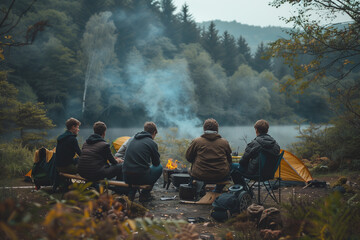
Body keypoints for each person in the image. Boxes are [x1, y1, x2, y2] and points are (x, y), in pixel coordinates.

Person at [186, 118, 232, 193]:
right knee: (229, 169)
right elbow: (229, 160)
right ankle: (217, 190)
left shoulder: (197, 141)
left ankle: (197, 190)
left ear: (204, 129)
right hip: (220, 176)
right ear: (217, 129)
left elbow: (188, 157)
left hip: (200, 175)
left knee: (190, 170)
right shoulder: (224, 142)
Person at [122, 122, 162, 202]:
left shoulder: (132, 139)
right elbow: (156, 163)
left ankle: (131, 192)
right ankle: (144, 194)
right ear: (154, 133)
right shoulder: (152, 143)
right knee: (159, 168)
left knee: (136, 169)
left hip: (126, 177)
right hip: (140, 178)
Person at [231, 119, 280, 184]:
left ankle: (242, 189)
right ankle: (244, 190)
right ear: (267, 130)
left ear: (256, 130)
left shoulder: (254, 143)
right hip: (269, 174)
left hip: (255, 174)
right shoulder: (276, 145)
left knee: (232, 166)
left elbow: (242, 162)